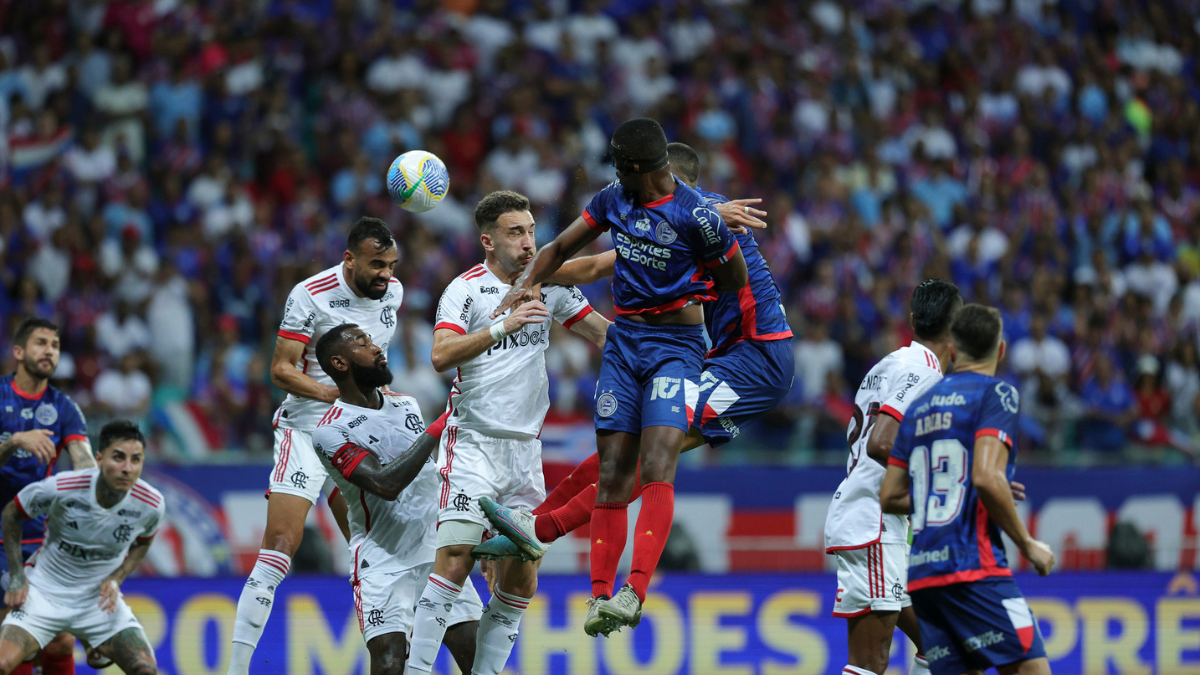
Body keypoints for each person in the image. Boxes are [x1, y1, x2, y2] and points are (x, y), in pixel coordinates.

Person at [474, 141, 791, 570]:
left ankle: (541, 532)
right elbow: (589, 267)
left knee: (651, 456)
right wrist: (523, 274)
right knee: (624, 449)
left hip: (758, 360)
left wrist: (715, 211)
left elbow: (707, 211)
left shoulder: (697, 211)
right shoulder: (660, 234)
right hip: (731, 356)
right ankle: (531, 523)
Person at [489, 119, 749, 636]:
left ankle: (634, 592)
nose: (614, 173)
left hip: (676, 349)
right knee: (612, 471)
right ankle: (600, 598)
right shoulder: (614, 199)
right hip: (625, 345)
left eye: (617, 165)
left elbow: (735, 283)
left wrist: (716, 341)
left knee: (656, 462)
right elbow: (563, 249)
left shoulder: (697, 217)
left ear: (636, 167)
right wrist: (532, 283)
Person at [406, 190, 608, 675]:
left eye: (532, 231)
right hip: (473, 443)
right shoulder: (466, 290)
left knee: (521, 578)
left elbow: (604, 333)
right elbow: (439, 356)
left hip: (524, 453)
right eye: (515, 233)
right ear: (488, 241)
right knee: (454, 559)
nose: (527, 242)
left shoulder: (549, 285)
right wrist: (504, 325)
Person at [227, 218, 404, 674]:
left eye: (391, 264)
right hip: (306, 429)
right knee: (282, 543)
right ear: (349, 259)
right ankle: (234, 669)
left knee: (378, 555)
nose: (386, 275)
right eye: (376, 265)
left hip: (357, 433)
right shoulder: (310, 293)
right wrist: (330, 394)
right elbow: (281, 369)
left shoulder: (394, 295)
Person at [880, 305, 1056, 675]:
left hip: (924, 577)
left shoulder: (919, 407)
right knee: (1031, 670)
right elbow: (985, 476)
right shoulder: (997, 394)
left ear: (954, 351)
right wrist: (1028, 545)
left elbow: (891, 496)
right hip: (973, 569)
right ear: (1002, 350)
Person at [309, 324, 482, 675]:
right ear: (340, 363)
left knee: (478, 658)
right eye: (363, 343)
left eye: (372, 340)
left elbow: (431, 475)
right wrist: (442, 424)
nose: (375, 348)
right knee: (390, 664)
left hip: (436, 554)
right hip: (384, 564)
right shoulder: (330, 431)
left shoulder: (407, 405)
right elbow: (385, 484)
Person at [823, 279, 962, 675]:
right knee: (870, 662)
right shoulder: (923, 372)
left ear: (915, 319)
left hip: (877, 522)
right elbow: (882, 443)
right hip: (873, 524)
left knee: (939, 644)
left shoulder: (890, 364)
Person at [0, 420, 164, 675]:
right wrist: (17, 577)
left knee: (146, 670)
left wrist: (116, 578)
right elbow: (12, 513)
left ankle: (95, 642)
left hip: (97, 603)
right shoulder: (62, 488)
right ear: (99, 458)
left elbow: (144, 543)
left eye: (136, 460)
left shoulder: (151, 504)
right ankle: (91, 646)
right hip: (44, 592)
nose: (127, 469)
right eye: (118, 458)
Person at [0, 318, 97, 675]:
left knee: (60, 641)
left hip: (41, 537)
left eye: (55, 345)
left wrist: (99, 489)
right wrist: (14, 442)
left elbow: (84, 461)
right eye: (41, 343)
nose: (49, 351)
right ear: (19, 352)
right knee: (12, 636)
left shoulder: (64, 407)